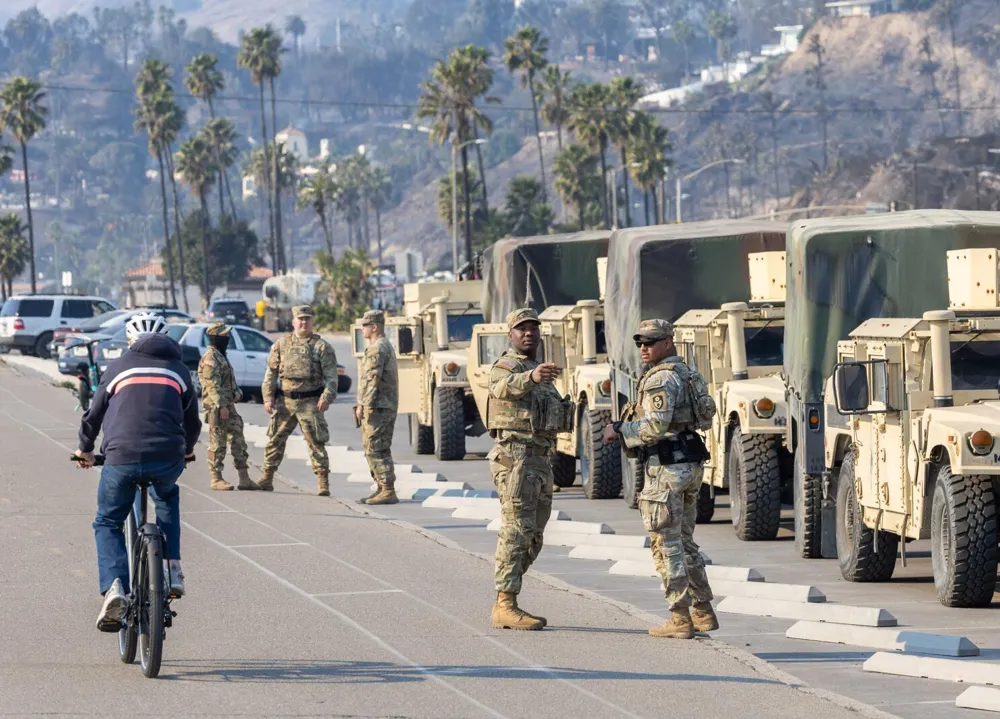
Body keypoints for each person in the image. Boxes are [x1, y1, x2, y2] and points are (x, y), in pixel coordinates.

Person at [75, 312, 201, 632]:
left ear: (130, 341)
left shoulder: (117, 367)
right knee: (167, 498)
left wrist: (85, 449)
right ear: (167, 339)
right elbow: (192, 422)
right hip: (168, 457)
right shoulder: (179, 369)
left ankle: (116, 587)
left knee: (107, 520)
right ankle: (172, 570)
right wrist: (186, 451)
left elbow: (93, 414)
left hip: (121, 457)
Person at [602, 319, 718, 639]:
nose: (644, 347)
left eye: (651, 342)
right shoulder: (687, 373)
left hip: (667, 468)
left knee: (665, 544)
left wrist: (620, 430)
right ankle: (703, 611)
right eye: (640, 342)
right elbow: (705, 418)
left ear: (668, 342)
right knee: (684, 540)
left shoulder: (661, 379)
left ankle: (680, 617)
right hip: (689, 464)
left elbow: (653, 427)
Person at [486, 308, 573, 631]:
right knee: (515, 529)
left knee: (533, 535)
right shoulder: (509, 366)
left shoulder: (540, 370)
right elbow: (499, 387)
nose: (528, 333)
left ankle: (507, 598)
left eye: (533, 328)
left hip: (539, 459)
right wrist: (531, 378)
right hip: (516, 459)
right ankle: (505, 602)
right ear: (510, 334)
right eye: (521, 329)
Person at [259, 304, 339, 495]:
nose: (304, 322)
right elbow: (270, 374)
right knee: (275, 440)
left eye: (307, 319)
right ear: (293, 322)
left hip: (310, 402)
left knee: (316, 442)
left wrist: (327, 397)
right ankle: (267, 477)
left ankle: (322, 482)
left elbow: (331, 377)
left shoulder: (321, 347)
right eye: (300, 319)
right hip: (285, 401)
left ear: (312, 322)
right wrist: (268, 398)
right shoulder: (281, 344)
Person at [198, 322, 258, 491]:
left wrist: (237, 392)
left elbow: (228, 381)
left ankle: (244, 478)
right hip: (217, 408)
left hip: (228, 406)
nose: (227, 339)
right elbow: (212, 385)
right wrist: (221, 405)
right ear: (215, 338)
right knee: (218, 443)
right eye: (224, 336)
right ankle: (216, 478)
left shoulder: (220, 356)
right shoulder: (210, 358)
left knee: (238, 439)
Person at [355, 309, 399, 505]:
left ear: (375, 327)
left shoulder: (377, 348)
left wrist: (364, 405)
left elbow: (372, 380)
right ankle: (382, 487)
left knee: (376, 447)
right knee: (375, 446)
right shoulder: (379, 346)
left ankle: (388, 489)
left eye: (365, 325)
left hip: (378, 406)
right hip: (380, 404)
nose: (362, 329)